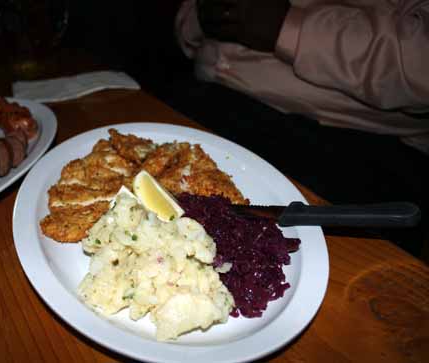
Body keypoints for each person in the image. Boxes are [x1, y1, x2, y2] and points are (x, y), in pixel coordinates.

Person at [155, 0, 428, 258]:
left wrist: (286, 27)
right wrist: (200, 17)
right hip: (203, 93)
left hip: (355, 138)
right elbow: (186, 27)